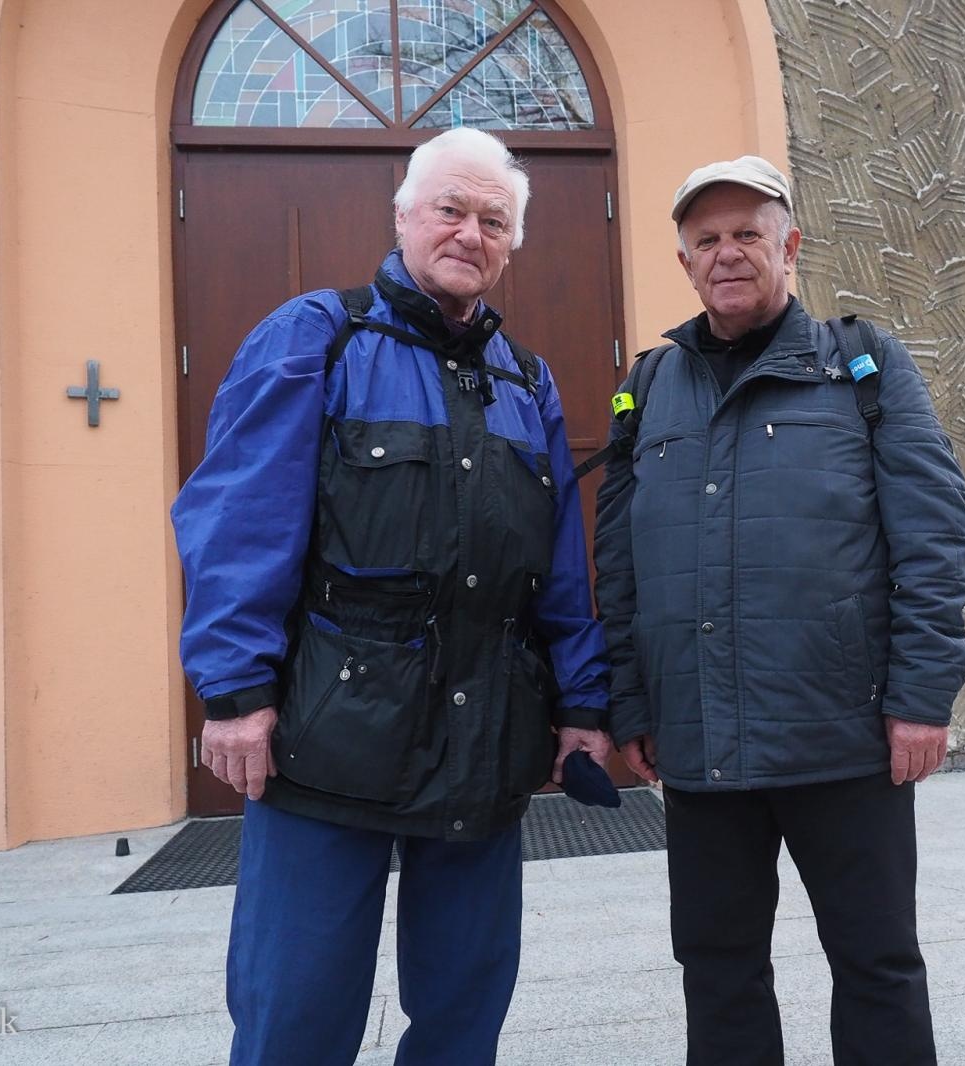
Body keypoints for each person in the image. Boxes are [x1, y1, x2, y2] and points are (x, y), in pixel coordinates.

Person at [171, 127, 611, 1065]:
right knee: (296, 1015)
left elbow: (558, 570)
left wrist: (582, 703)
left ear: (512, 243)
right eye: (450, 209)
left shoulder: (525, 382)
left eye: (493, 219)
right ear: (404, 213)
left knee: (462, 1018)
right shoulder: (316, 336)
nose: (470, 232)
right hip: (327, 744)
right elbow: (237, 520)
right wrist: (235, 694)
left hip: (484, 745)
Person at [593, 155, 965, 1065]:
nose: (727, 254)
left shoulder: (864, 366)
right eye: (707, 240)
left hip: (842, 737)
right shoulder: (648, 387)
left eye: (747, 235)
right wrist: (632, 703)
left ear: (789, 246)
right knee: (719, 968)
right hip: (699, 744)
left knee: (877, 963)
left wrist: (922, 697)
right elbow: (619, 565)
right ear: (685, 261)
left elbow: (935, 536)